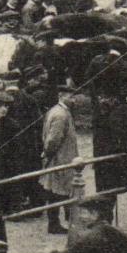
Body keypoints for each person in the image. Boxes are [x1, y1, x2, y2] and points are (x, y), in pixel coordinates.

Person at [40, 86, 81, 235]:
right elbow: (53, 139)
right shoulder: (61, 115)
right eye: (70, 97)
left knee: (57, 191)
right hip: (60, 159)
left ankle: (61, 221)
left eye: (74, 97)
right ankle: (57, 223)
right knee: (59, 192)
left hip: (61, 158)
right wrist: (48, 153)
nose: (73, 100)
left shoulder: (58, 111)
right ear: (61, 96)